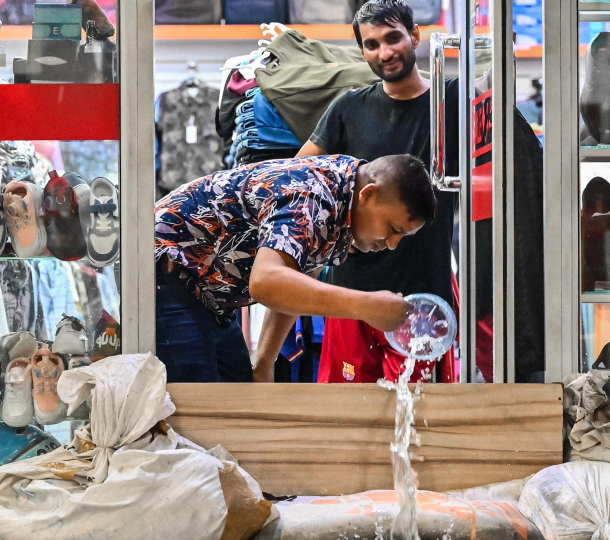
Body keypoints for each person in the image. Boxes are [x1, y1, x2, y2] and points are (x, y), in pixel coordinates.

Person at [290, 0, 459, 385]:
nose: (384, 52)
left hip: (423, 298)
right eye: (371, 44)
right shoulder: (348, 108)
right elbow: (299, 181)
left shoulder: (451, 104)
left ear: (415, 36)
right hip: (351, 295)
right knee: (348, 423)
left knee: (421, 427)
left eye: (393, 38)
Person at [154, 152, 435, 383]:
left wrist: (263, 364)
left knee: (239, 394)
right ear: (369, 195)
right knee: (201, 410)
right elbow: (266, 283)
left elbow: (294, 282)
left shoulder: (343, 205)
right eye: (393, 229)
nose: (393, 244)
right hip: (170, 268)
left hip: (209, 295)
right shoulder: (313, 197)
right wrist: (365, 306)